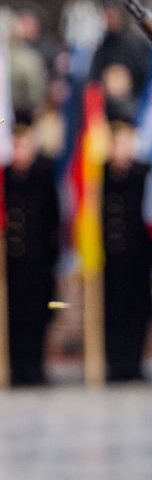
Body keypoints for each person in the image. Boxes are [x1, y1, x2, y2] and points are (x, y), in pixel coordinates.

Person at [102, 105, 152, 381]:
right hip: (109, 262)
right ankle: (115, 364)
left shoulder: (143, 174)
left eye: (126, 141)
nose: (121, 147)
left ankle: (135, 362)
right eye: (117, 142)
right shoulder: (99, 177)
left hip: (138, 261)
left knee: (138, 311)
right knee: (111, 312)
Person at [5, 110, 59, 385]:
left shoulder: (44, 174)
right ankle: (15, 367)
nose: (20, 150)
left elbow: (53, 218)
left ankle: (35, 366)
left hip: (37, 263)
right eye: (15, 144)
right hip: (10, 266)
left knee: (38, 316)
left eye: (24, 143)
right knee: (12, 317)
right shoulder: (4, 178)